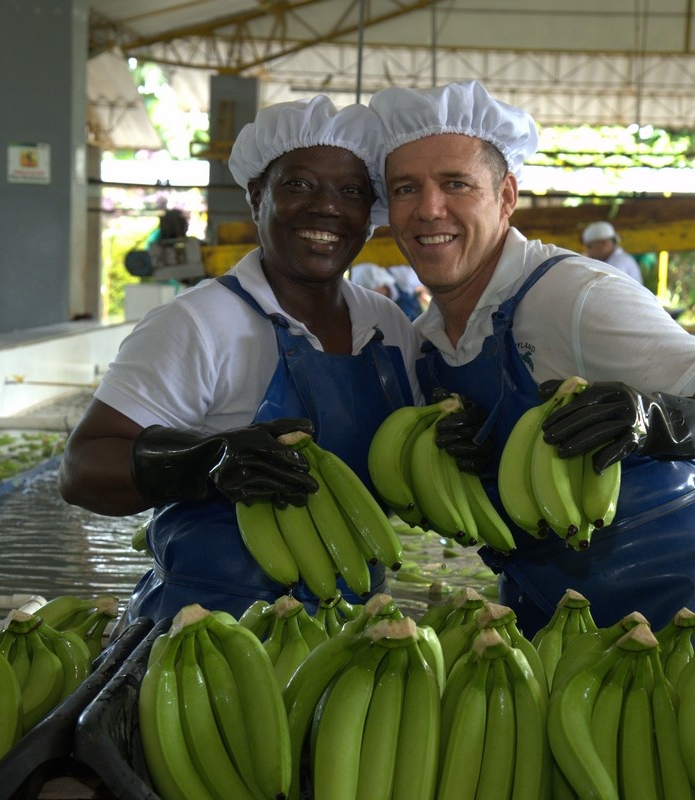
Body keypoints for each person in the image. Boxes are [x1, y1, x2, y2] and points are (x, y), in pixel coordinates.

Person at [368, 80, 695, 639]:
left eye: (456, 184)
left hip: (683, 605)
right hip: (544, 609)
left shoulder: (573, 295)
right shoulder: (426, 347)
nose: (429, 209)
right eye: (406, 188)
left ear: (505, 198)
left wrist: (656, 420)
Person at [59, 96, 423, 623]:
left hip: (354, 633)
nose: (327, 207)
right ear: (257, 196)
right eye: (298, 184)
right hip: (206, 635)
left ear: (371, 217)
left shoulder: (388, 326)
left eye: (351, 192)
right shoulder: (198, 323)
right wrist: (203, 460)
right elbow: (81, 468)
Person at [581, 220, 643, 284]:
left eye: (590, 247)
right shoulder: (617, 259)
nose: (588, 252)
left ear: (604, 243)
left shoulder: (619, 262)